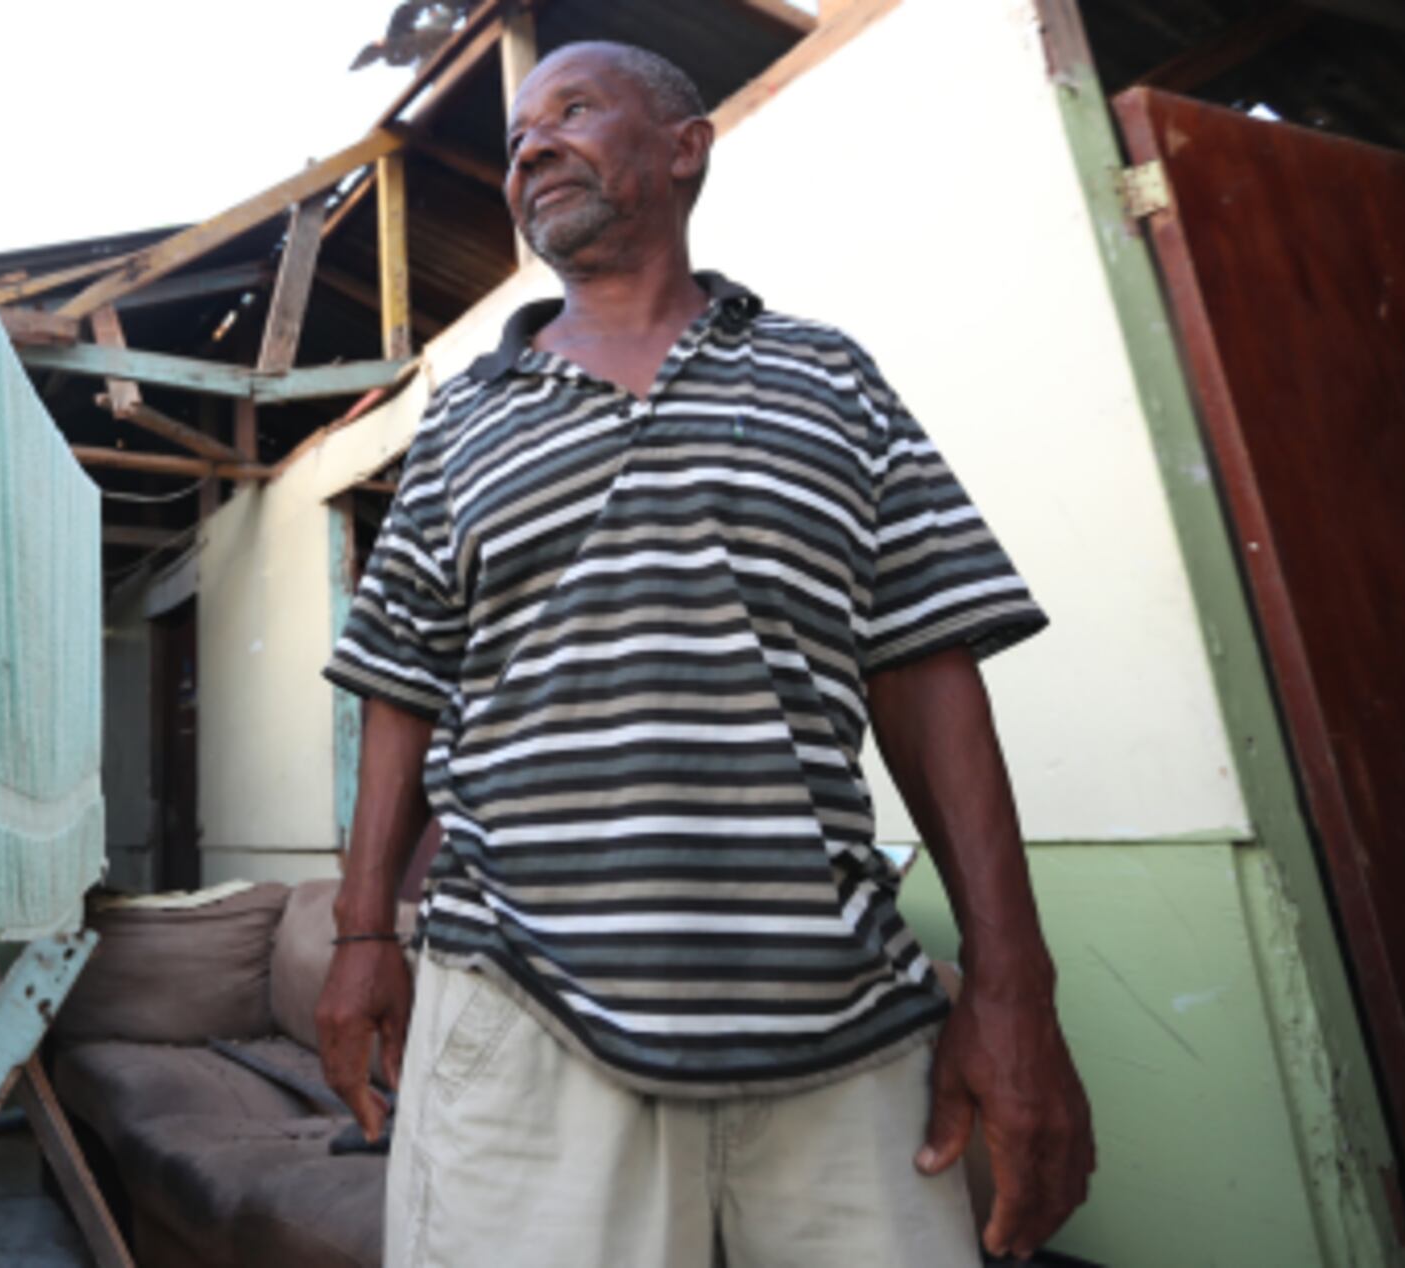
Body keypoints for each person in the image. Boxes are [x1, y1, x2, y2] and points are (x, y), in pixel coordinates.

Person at [316, 40, 1095, 1267]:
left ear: (686, 148)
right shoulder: (465, 410)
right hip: (519, 1004)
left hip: (839, 1022)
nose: (529, 146)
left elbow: (929, 664)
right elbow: (398, 682)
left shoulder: (827, 377)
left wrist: (1013, 985)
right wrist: (361, 936)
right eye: (519, 134)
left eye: (572, 110)